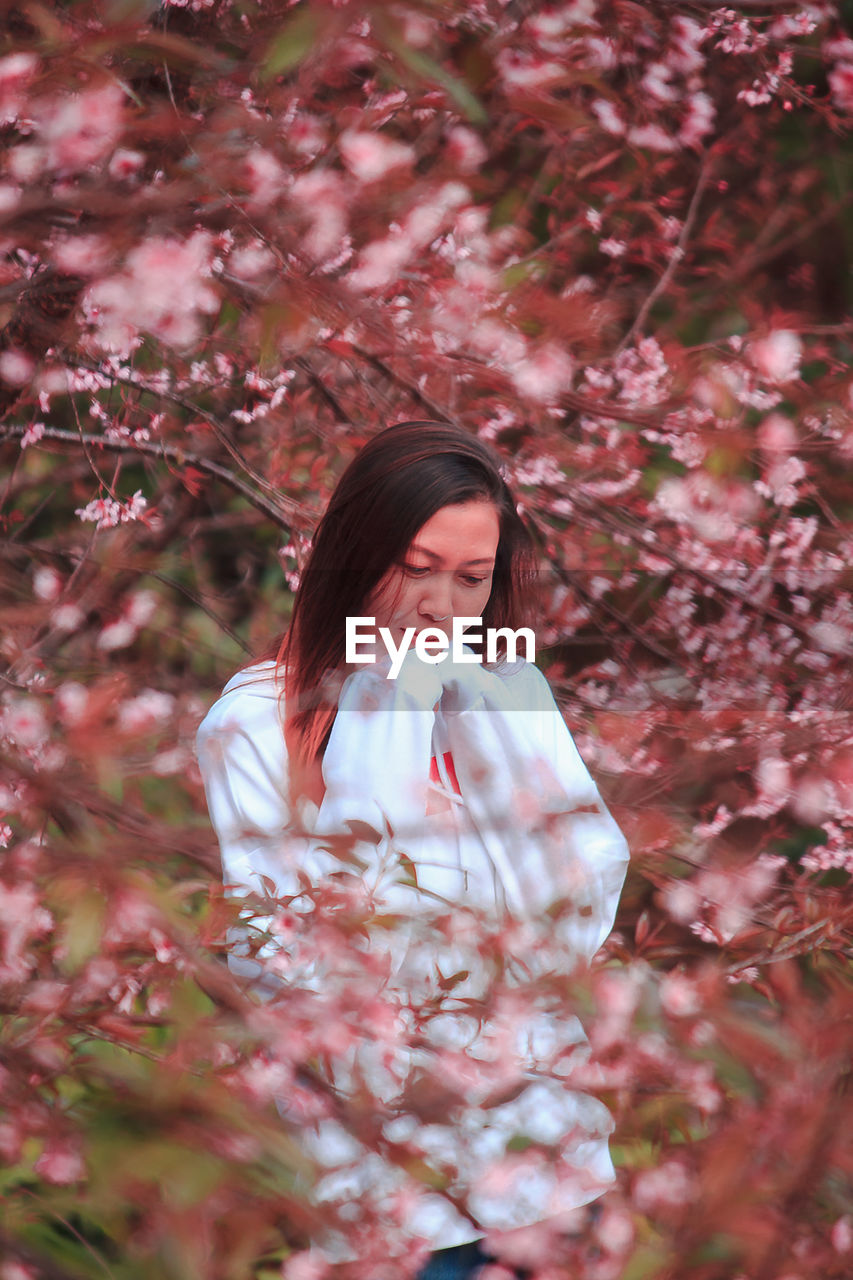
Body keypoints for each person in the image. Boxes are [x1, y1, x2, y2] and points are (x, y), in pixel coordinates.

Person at [195, 421, 630, 1278]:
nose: (442, 607)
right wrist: (384, 723)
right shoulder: (253, 724)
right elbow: (305, 964)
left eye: (471, 579)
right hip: (389, 1193)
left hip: (545, 1165)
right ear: (353, 553)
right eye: (416, 567)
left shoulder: (497, 696)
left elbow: (572, 913)